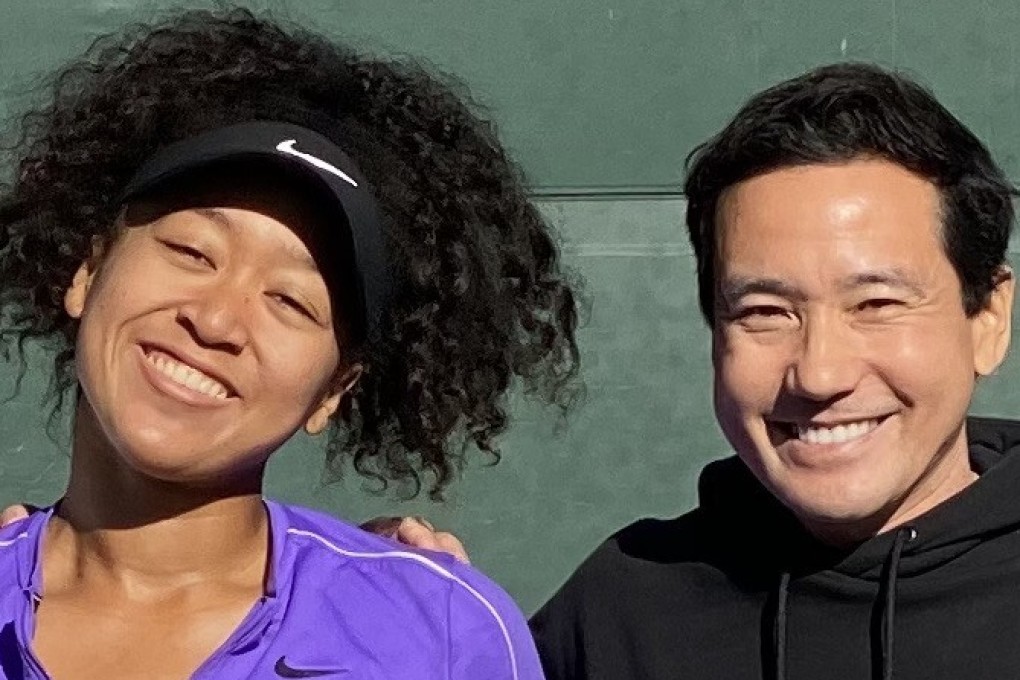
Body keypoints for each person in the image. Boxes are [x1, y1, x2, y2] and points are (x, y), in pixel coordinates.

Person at [0, 7, 580, 679]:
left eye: (290, 301)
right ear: (87, 269)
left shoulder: (439, 639)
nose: (216, 321)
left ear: (334, 390)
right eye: (193, 252)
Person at [528, 61, 1020, 679]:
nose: (819, 374)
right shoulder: (621, 612)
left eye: (876, 305)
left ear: (988, 319)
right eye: (766, 312)